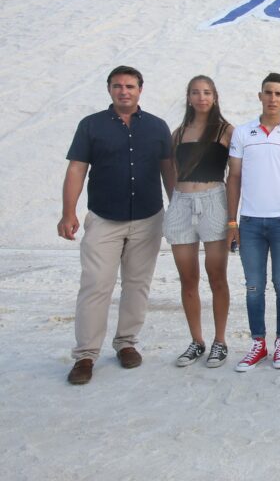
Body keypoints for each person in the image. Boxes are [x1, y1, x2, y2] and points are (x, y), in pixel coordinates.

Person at [58, 65, 175, 385]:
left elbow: (169, 171)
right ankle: (85, 354)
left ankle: (126, 343)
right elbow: (76, 170)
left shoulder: (156, 127)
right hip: (104, 219)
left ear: (140, 90)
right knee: (96, 284)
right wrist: (68, 212)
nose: (124, 91)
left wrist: (177, 209)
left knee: (138, 284)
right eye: (118, 86)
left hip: (148, 219)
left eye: (130, 86)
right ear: (109, 89)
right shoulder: (91, 126)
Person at [226, 72, 280, 372]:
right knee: (253, 286)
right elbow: (233, 178)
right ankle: (258, 343)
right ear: (260, 96)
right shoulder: (242, 133)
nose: (273, 98)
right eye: (268, 93)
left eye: (278, 94)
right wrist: (232, 223)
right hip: (249, 224)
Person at [164, 75, 233, 368]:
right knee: (188, 278)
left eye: (206, 92)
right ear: (188, 97)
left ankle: (220, 341)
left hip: (213, 200)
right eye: (195, 92)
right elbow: (171, 170)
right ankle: (197, 340)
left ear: (215, 96)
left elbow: (237, 174)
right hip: (182, 203)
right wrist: (175, 199)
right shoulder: (178, 132)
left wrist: (232, 218)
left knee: (216, 275)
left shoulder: (226, 131)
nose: (201, 97)